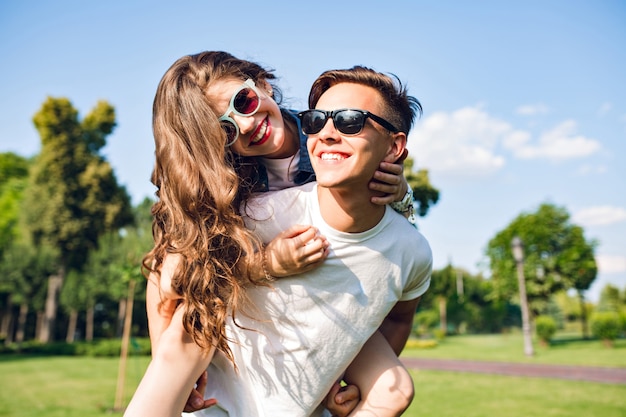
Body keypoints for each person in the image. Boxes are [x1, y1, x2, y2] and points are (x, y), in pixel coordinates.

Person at [125, 52, 420, 417]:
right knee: (190, 319)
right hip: (255, 307)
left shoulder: (329, 136)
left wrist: (402, 193)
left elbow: (384, 254)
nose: (246, 126)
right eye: (225, 130)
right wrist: (263, 263)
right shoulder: (227, 186)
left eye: (243, 103)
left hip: (330, 300)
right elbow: (164, 277)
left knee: (394, 389)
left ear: (261, 84)